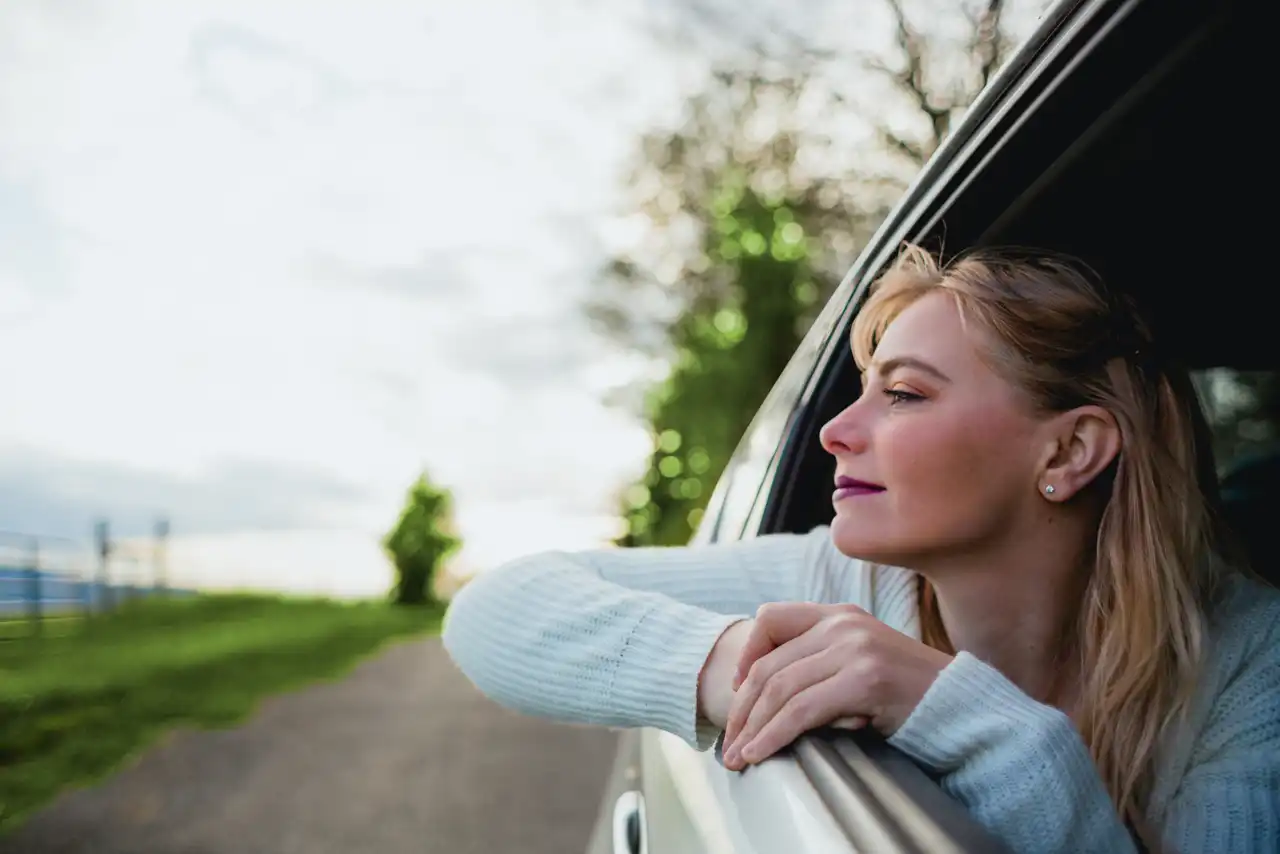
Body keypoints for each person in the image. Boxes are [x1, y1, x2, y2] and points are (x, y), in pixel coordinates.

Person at [442, 244, 1280, 853]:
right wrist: (745, 666)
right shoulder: (833, 580)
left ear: (1068, 451)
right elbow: (495, 609)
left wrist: (975, 721)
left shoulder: (1251, 664)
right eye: (860, 392)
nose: (837, 432)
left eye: (904, 393)